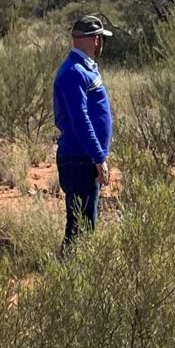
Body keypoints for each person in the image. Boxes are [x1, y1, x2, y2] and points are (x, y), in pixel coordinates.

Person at [52, 14, 114, 244]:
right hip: (79, 159)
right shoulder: (74, 72)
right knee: (80, 228)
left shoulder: (83, 68)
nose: (101, 44)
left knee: (84, 225)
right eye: (101, 39)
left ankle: (73, 263)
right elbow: (80, 120)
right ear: (96, 39)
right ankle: (69, 264)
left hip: (83, 158)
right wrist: (98, 157)